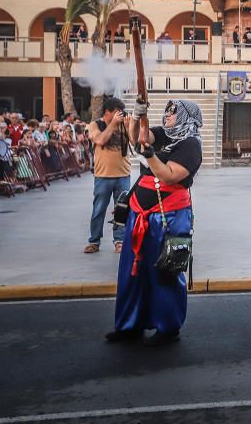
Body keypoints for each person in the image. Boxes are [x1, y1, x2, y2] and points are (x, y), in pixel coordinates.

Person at [107, 99, 202, 346]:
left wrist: (148, 154)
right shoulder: (162, 134)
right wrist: (138, 115)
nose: (167, 115)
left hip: (169, 214)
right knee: (132, 268)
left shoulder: (191, 145)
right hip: (140, 210)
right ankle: (129, 325)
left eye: (174, 112)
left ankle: (167, 327)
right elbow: (139, 136)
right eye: (167, 111)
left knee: (165, 270)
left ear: (185, 117)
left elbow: (168, 175)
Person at [85, 98, 132, 254]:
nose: (120, 115)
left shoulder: (123, 125)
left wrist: (128, 126)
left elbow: (136, 142)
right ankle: (94, 241)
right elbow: (100, 139)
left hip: (123, 175)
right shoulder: (95, 125)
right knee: (99, 209)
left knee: (122, 210)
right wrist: (113, 124)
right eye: (117, 112)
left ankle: (120, 241)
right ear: (107, 112)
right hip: (103, 175)